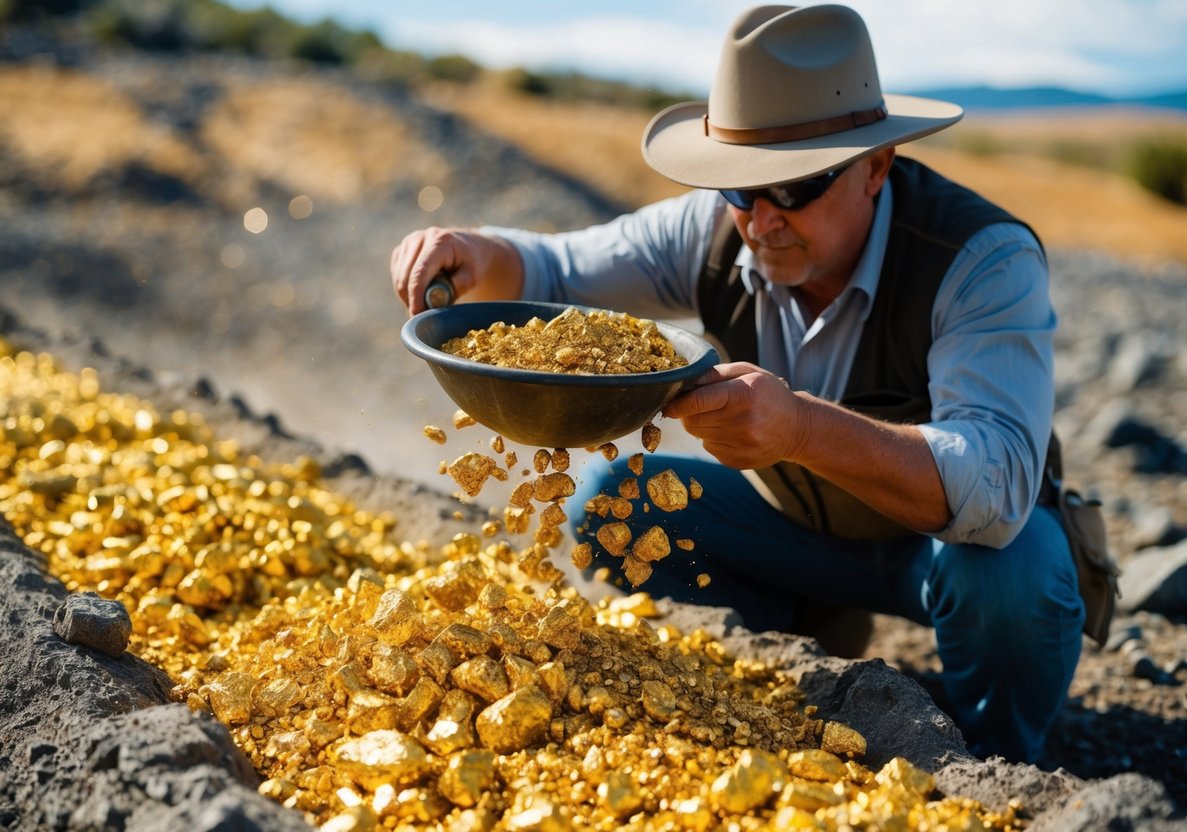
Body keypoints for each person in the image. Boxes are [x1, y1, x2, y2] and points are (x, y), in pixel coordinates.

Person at [389, 3, 1084, 763]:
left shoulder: (980, 258)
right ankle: (805, 660)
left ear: (875, 168)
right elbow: (557, 270)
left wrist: (802, 429)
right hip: (795, 533)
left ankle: (996, 768)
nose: (761, 219)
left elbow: (997, 485)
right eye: (740, 189)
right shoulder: (717, 228)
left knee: (1015, 574)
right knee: (615, 502)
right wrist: (470, 249)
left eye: (794, 188)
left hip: (941, 553)